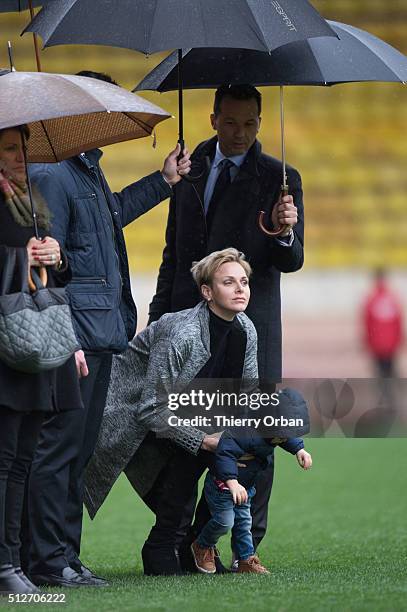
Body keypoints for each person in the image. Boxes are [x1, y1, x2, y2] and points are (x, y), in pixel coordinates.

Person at [22, 71, 191, 589]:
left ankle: (64, 556)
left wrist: (163, 182)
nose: (112, 121)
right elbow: (45, 261)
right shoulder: (53, 173)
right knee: (59, 450)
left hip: (101, 331)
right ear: (82, 115)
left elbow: (111, 216)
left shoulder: (86, 172)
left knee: (77, 452)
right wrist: (66, 330)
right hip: (77, 333)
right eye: (105, 110)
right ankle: (48, 562)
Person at [148, 84, 304, 565]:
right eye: (231, 122)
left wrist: (285, 230)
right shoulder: (189, 169)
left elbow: (293, 259)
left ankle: (245, 548)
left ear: (260, 121)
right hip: (188, 327)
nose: (241, 133)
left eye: (251, 123)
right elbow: (174, 253)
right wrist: (157, 319)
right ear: (213, 119)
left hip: (249, 329)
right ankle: (178, 543)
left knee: (251, 437)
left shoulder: (281, 177)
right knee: (184, 438)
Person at [84, 248, 259, 576]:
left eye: (244, 282)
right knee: (190, 459)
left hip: (185, 416)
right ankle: (163, 546)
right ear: (207, 292)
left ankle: (199, 544)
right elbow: (151, 409)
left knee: (252, 455)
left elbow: (247, 396)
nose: (240, 289)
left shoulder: (246, 329)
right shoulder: (182, 333)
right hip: (128, 416)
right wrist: (206, 441)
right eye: (229, 282)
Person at [0, 126, 82, 594]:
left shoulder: (29, 198)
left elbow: (55, 275)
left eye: (23, 147)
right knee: (6, 459)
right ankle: (5, 565)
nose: (21, 156)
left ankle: (15, 560)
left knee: (23, 460)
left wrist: (55, 253)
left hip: (34, 343)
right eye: (11, 147)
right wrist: (18, 255)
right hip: (8, 347)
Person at [191, 423, 312, 575]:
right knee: (225, 522)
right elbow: (225, 451)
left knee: (244, 524)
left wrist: (299, 450)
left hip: (246, 487)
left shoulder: (276, 433)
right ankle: (202, 545)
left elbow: (285, 439)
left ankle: (246, 561)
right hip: (222, 487)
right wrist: (232, 482)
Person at [363, 268, 403, 378]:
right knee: (390, 373)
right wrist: (399, 340)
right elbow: (398, 323)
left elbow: (367, 324)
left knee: (381, 375)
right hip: (391, 344)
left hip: (377, 344)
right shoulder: (392, 298)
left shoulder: (371, 299)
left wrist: (368, 342)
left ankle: (384, 393)